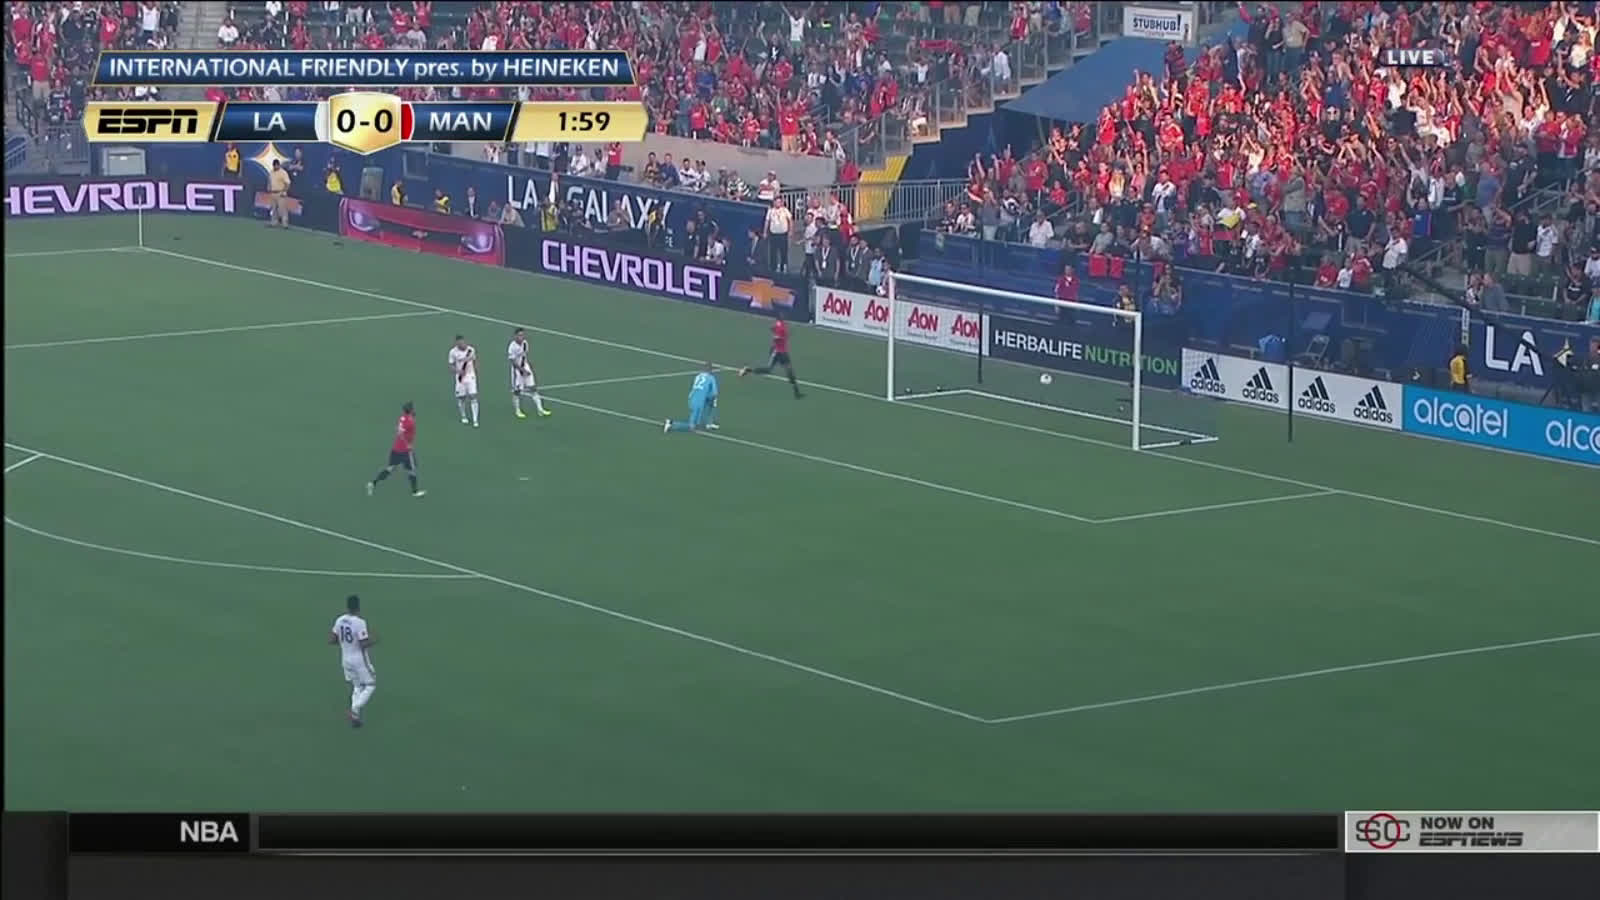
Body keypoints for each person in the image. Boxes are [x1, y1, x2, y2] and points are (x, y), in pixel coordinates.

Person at [329, 594, 376, 728]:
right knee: (370, 685)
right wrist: (374, 640)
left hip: (345, 659)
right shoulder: (359, 622)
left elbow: (332, 640)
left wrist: (345, 643)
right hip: (359, 660)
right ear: (358, 607)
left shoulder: (340, 620)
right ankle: (354, 709)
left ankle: (355, 716)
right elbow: (363, 644)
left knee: (357, 686)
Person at [739, 311, 803, 398]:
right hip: (777, 352)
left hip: (783, 352)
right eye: (782, 315)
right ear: (779, 317)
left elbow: (772, 329)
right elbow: (776, 337)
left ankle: (796, 392)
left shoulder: (781, 324)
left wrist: (783, 335)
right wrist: (782, 337)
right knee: (769, 370)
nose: (784, 316)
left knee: (789, 371)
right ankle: (748, 370)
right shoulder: (779, 325)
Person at [367, 401, 424, 497]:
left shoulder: (403, 418)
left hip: (396, 449)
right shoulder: (410, 422)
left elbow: (399, 429)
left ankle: (373, 483)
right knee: (412, 470)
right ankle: (415, 492)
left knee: (390, 469)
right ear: (410, 410)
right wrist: (408, 444)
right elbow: (402, 431)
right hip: (405, 451)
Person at [507, 328, 551, 419]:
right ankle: (518, 411)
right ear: (515, 336)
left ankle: (540, 409)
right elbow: (513, 362)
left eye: (523, 335)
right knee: (517, 391)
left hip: (525, 367)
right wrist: (522, 370)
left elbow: (524, 356)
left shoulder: (525, 343)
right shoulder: (512, 347)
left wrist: (527, 367)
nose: (521, 337)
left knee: (533, 388)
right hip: (517, 371)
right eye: (519, 335)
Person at [664, 362, 720, 433]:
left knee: (697, 422)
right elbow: (715, 393)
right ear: (710, 370)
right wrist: (711, 399)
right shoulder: (711, 378)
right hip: (699, 402)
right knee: (692, 426)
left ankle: (708, 423)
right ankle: (671, 424)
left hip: (691, 398)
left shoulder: (698, 376)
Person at [448, 335, 479, 427]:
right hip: (460, 377)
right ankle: (463, 416)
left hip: (470, 375)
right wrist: (458, 371)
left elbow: (475, 361)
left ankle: (475, 419)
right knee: (461, 397)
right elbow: (451, 365)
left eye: (462, 343)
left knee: (473, 395)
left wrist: (476, 370)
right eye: (459, 343)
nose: (461, 345)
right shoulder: (453, 352)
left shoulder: (471, 350)